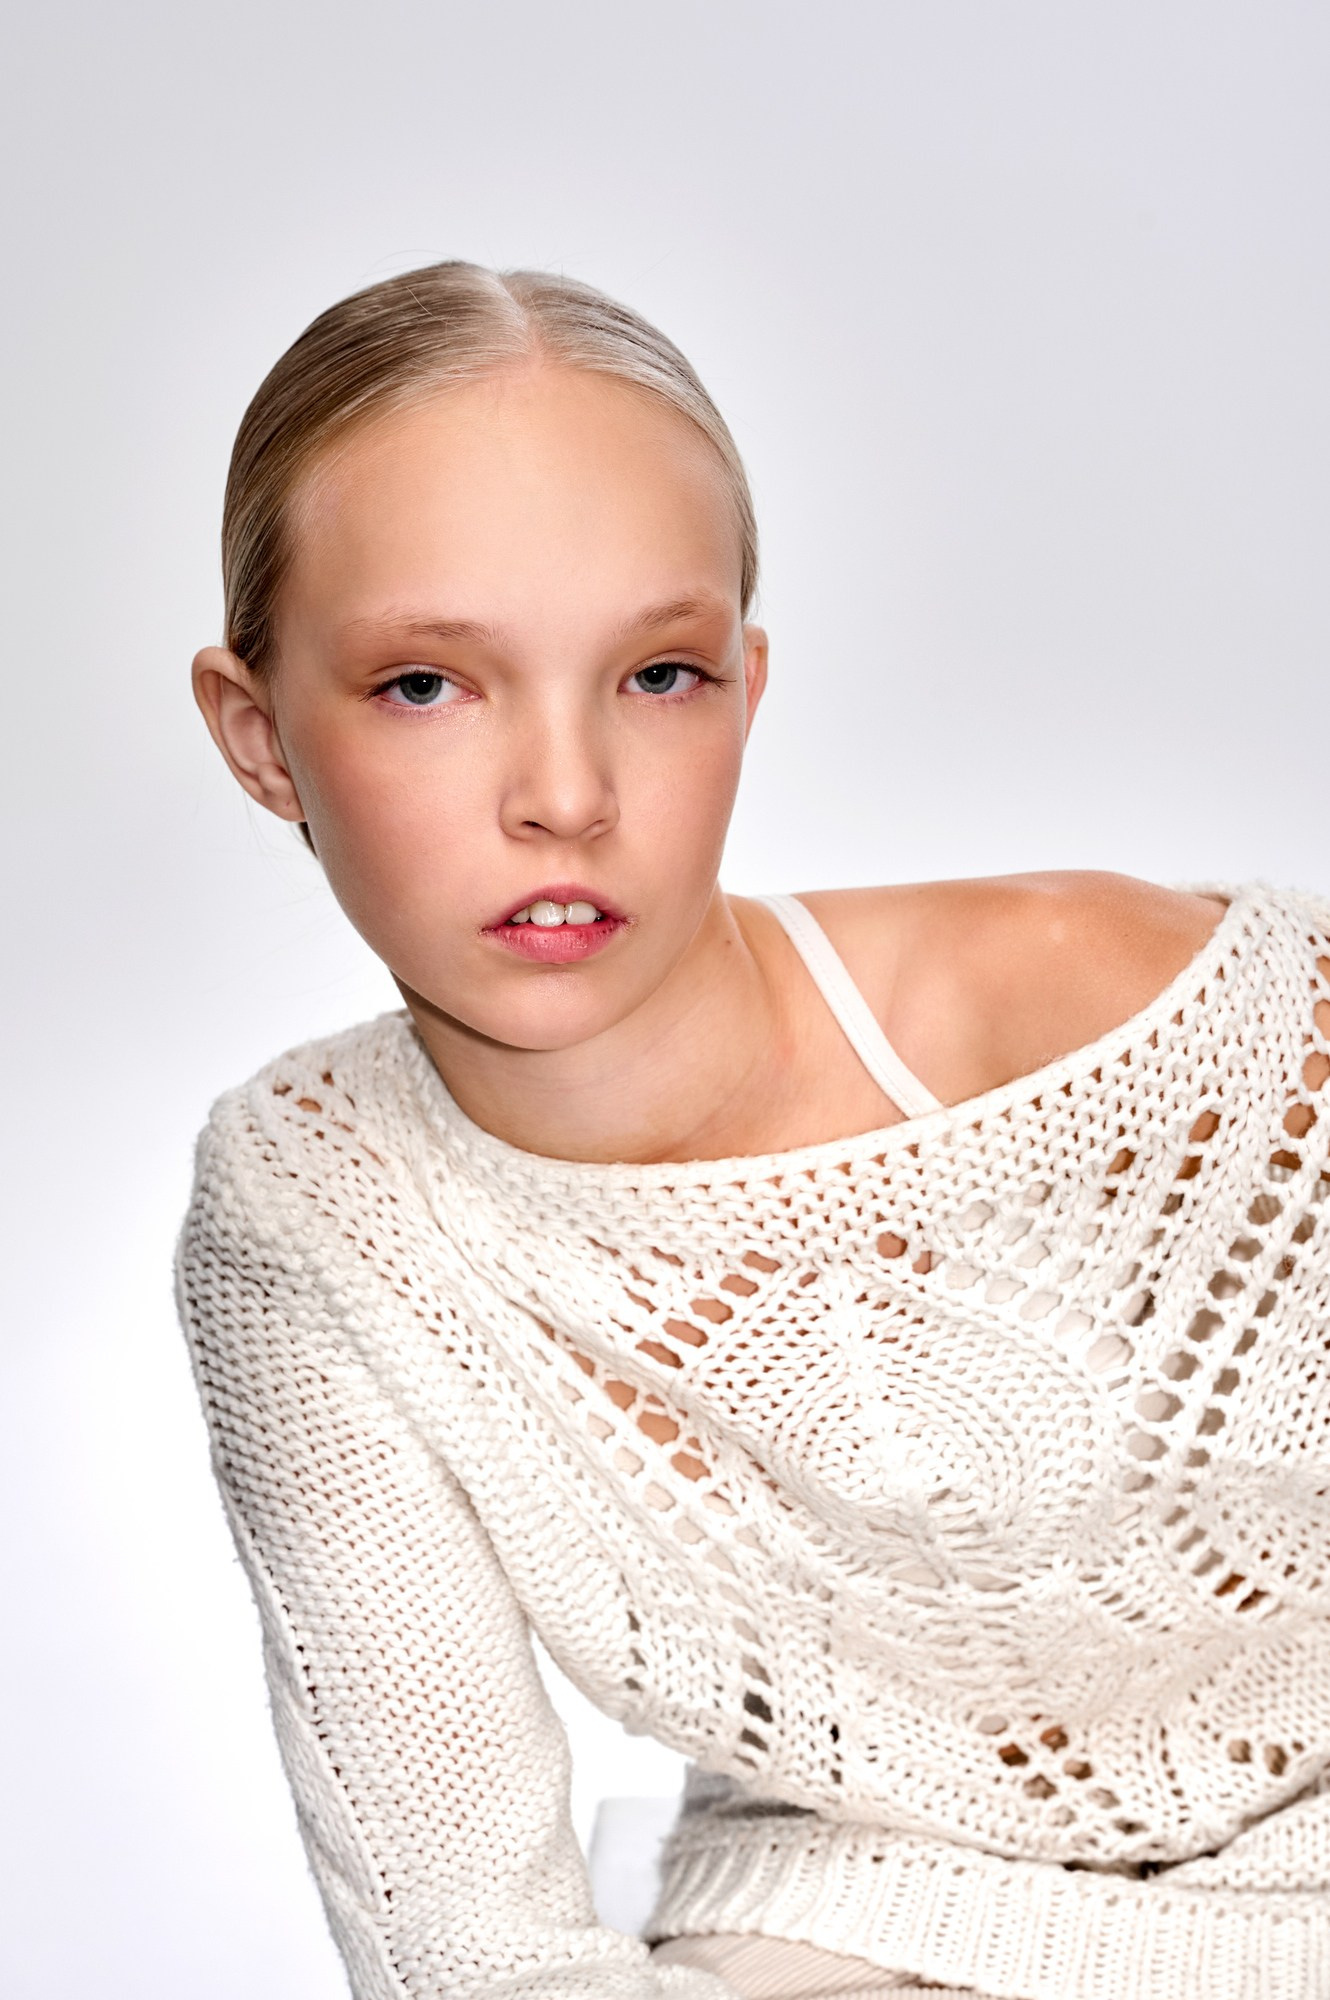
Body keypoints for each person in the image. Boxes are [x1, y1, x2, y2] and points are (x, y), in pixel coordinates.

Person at [177, 260, 1330, 2000]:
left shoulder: (1128, 1016)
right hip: (854, 1923)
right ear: (259, 738)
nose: (564, 797)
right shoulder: (322, 1207)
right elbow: (471, 1956)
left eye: (656, 675)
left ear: (745, 686)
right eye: (426, 684)